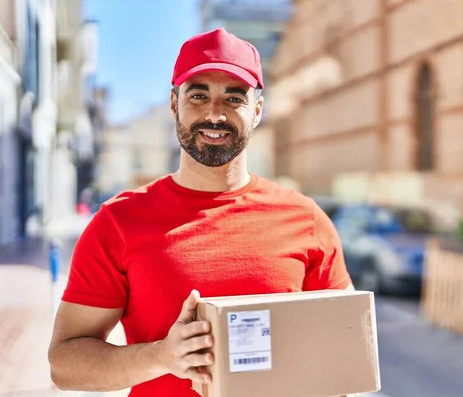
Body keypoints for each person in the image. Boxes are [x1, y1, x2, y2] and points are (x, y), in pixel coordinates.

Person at [48, 28, 353, 396]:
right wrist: (162, 357)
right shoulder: (119, 222)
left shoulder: (306, 219)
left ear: (256, 110)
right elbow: (64, 364)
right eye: (198, 94)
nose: (215, 114)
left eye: (233, 98)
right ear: (174, 104)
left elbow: (345, 348)